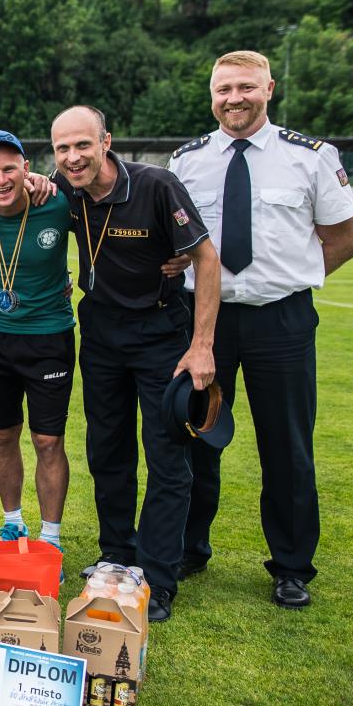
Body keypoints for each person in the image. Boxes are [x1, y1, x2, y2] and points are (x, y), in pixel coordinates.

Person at [170, 51, 353, 609]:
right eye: (224, 88)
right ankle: (187, 547)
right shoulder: (188, 162)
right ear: (211, 95)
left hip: (282, 319)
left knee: (288, 445)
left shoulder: (311, 158)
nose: (235, 98)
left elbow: (345, 238)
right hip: (206, 320)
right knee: (194, 438)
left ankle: (292, 565)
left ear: (269, 89)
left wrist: (294, 276)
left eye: (246, 87)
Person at [53, 106, 220, 622]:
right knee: (107, 449)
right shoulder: (63, 190)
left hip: (159, 332)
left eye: (82, 145)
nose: (73, 157)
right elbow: (2, 179)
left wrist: (202, 345)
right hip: (101, 331)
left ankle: (159, 576)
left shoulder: (156, 184)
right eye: (62, 148)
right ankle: (116, 555)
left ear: (106, 141)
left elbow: (207, 258)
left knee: (166, 455)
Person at [0, 130, 74, 552]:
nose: (1, 179)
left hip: (48, 338)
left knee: (48, 439)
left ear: (28, 170)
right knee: (3, 434)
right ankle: (13, 523)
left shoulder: (58, 203)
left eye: (10, 168)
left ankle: (51, 536)